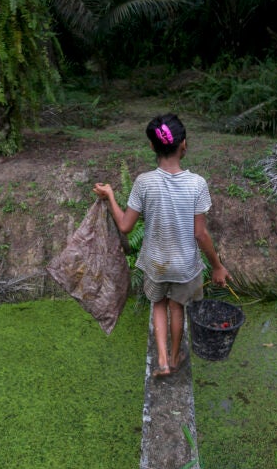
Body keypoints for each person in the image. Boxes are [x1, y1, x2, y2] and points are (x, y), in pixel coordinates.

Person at [93, 113, 232, 378]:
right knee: (176, 307)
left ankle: (162, 360)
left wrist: (110, 195)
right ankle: (177, 356)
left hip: (156, 263)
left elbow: (125, 226)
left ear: (152, 147)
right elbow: (201, 234)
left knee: (158, 304)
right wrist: (217, 266)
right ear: (184, 145)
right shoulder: (197, 184)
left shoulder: (144, 182)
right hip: (185, 266)